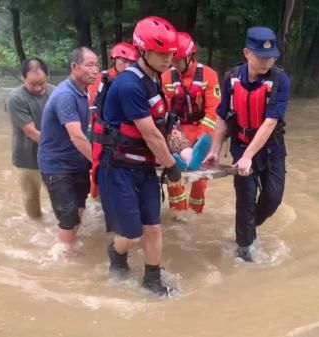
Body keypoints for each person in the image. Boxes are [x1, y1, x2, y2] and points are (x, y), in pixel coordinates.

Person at [96, 16, 182, 296]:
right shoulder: (129, 85)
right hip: (119, 167)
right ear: (143, 50)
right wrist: (171, 166)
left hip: (144, 168)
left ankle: (152, 281)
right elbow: (150, 135)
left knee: (154, 228)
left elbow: (161, 124)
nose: (168, 58)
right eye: (162, 53)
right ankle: (115, 253)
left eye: (171, 53)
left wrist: (175, 137)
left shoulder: (155, 79)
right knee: (132, 234)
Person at [204, 27, 290, 262]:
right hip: (241, 145)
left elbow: (271, 121)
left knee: (273, 198)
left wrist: (250, 156)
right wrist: (214, 150)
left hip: (271, 148)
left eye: (271, 56)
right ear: (246, 53)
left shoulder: (279, 80)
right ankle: (244, 252)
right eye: (262, 56)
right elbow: (222, 115)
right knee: (245, 200)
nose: (267, 61)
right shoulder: (232, 77)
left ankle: (249, 226)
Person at [38, 47, 98, 252]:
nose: (95, 70)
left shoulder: (83, 93)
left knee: (80, 207)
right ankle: (60, 258)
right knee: (69, 213)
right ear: (74, 67)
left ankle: (69, 243)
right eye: (89, 65)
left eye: (96, 65)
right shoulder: (65, 95)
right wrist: (98, 162)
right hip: (57, 166)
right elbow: (76, 135)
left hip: (76, 162)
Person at [161, 32, 220, 213]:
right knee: (174, 180)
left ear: (190, 56)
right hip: (177, 128)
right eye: (172, 58)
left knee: (200, 181)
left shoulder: (209, 75)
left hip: (202, 130)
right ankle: (179, 214)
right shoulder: (166, 77)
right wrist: (172, 131)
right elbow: (164, 109)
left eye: (178, 59)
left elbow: (213, 112)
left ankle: (195, 214)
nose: (174, 62)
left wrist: (204, 138)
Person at [88, 42, 139, 198]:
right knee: (97, 172)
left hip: (126, 135)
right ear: (114, 60)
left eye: (130, 62)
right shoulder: (101, 79)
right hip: (102, 134)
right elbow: (92, 106)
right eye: (122, 60)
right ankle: (96, 201)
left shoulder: (136, 80)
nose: (126, 65)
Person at [5, 57, 54, 219]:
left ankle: (63, 225)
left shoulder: (55, 92)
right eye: (33, 84)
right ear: (23, 78)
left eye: (42, 82)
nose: (39, 87)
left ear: (47, 76)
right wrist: (60, 147)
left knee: (59, 193)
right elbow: (32, 132)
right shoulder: (15, 98)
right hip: (27, 157)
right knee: (31, 196)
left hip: (53, 156)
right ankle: (36, 226)